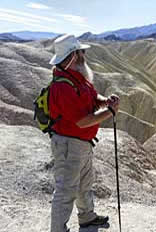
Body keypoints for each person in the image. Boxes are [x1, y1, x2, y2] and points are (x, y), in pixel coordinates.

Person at [48, 34, 120, 232]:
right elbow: (82, 121)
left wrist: (104, 101)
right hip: (69, 145)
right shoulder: (62, 86)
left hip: (81, 144)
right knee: (66, 190)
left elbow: (89, 96)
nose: (84, 55)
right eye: (82, 52)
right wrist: (110, 112)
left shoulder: (75, 77)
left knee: (84, 184)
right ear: (74, 55)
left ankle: (87, 217)